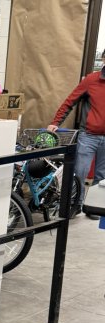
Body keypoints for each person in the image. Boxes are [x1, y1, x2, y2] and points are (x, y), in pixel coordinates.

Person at [47, 49, 105, 220]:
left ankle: (94, 207)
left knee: (102, 177)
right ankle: (75, 205)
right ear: (103, 59)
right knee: (80, 172)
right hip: (89, 135)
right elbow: (69, 102)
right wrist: (55, 123)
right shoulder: (91, 80)